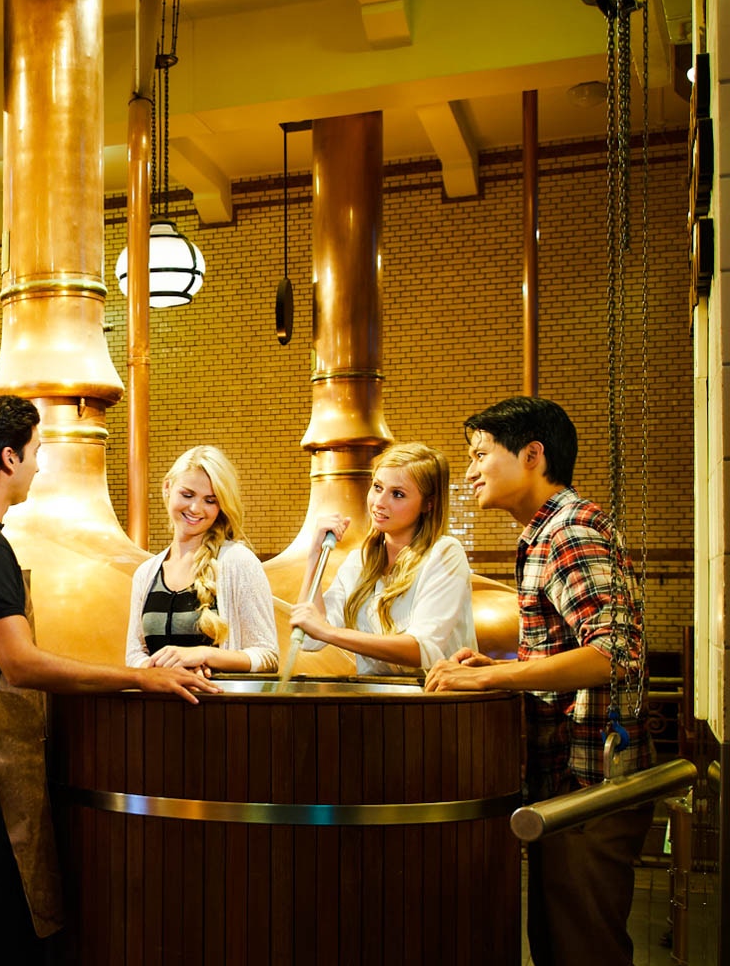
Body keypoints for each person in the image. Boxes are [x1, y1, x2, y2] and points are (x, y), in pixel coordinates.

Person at [0, 395, 214, 963]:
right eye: (35, 451)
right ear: (9, 459)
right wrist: (136, 679)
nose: (38, 464)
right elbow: (21, 664)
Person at [425, 397, 655, 965]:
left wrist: (493, 679)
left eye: (481, 454)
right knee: (557, 945)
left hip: (591, 783)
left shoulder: (569, 531)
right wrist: (496, 668)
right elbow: (573, 651)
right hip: (568, 783)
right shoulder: (545, 532)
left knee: (583, 949)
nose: (471, 471)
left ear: (532, 455)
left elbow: (615, 655)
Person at [289, 442, 476, 676]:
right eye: (377, 487)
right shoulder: (359, 562)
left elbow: (423, 650)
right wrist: (314, 557)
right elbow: (309, 639)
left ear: (428, 504)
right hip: (377, 695)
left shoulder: (444, 553)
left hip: (435, 695)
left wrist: (329, 633)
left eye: (397, 494)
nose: (379, 502)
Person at [124, 445, 278, 674]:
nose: (196, 508)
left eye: (210, 500)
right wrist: (162, 671)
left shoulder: (238, 561)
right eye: (187, 495)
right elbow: (134, 654)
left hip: (216, 698)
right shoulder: (146, 573)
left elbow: (267, 656)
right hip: (157, 698)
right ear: (167, 488)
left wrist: (205, 655)